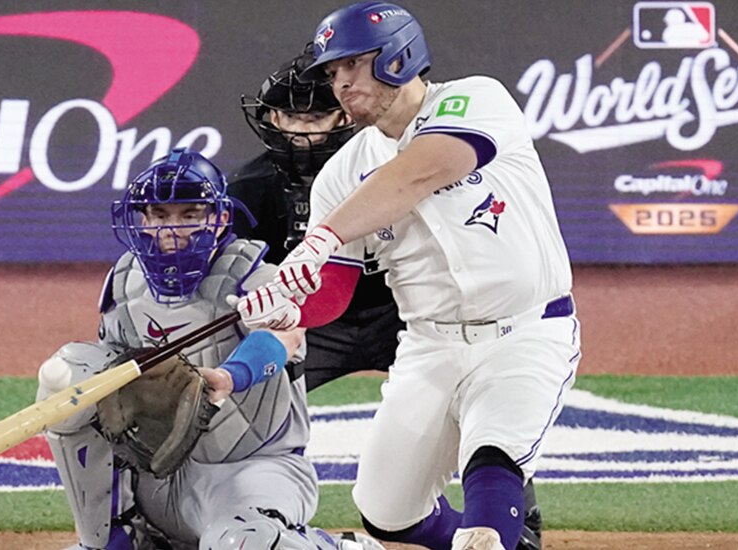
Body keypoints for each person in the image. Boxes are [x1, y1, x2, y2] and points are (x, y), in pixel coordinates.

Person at [232, 3, 580, 550]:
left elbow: (421, 169)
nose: (340, 82)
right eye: (331, 72)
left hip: (525, 332)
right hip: (428, 346)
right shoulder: (341, 174)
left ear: (399, 54)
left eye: (352, 64)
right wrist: (286, 307)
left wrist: (322, 236)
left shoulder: (476, 98)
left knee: (493, 461)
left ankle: (494, 534)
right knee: (386, 512)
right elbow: (334, 292)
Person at [37, 148, 383, 550]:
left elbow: (282, 339)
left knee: (241, 545)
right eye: (160, 215)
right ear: (143, 219)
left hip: (250, 474)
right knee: (68, 375)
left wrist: (227, 377)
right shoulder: (124, 284)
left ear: (220, 219)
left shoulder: (258, 276)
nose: (172, 229)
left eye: (190, 215)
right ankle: (112, 538)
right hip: (160, 478)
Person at [230, 47, 405, 391]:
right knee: (264, 392)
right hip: (310, 320)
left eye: (314, 119)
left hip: (394, 309)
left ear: (343, 117)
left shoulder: (389, 169)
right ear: (272, 119)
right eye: (290, 117)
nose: (301, 131)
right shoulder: (246, 189)